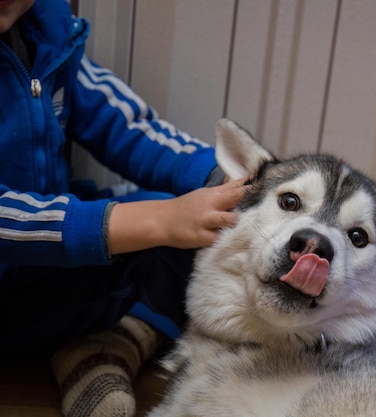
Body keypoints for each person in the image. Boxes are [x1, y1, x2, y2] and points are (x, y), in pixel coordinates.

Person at [0, 0, 247, 416]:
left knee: (198, 233)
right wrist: (153, 222)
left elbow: (129, 127)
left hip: (38, 278)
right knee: (162, 221)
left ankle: (106, 348)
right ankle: (97, 351)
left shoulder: (47, 34)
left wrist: (223, 181)